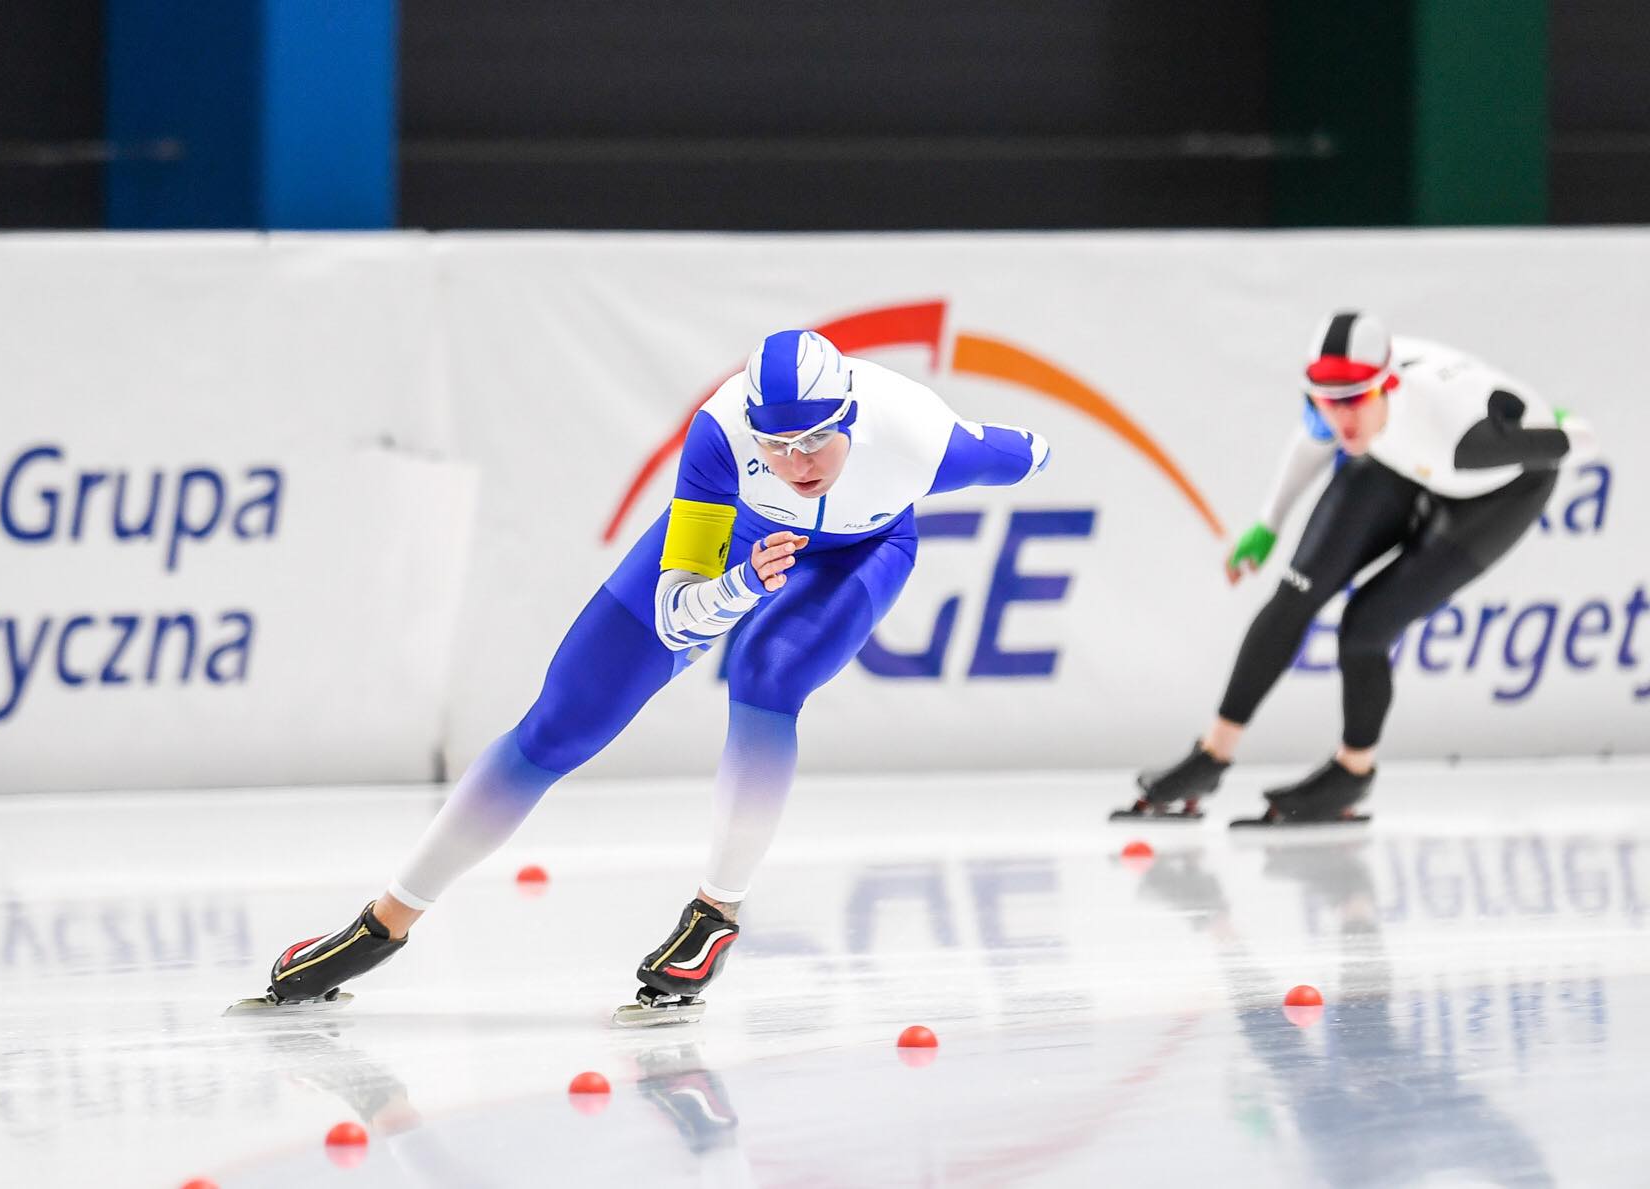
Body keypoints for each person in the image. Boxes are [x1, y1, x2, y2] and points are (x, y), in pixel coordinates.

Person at [259, 329, 1050, 1013]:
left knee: (769, 677)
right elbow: (678, 613)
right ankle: (383, 923)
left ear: (851, 418)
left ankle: (714, 916)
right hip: (742, 536)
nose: (796, 461)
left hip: (865, 550)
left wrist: (1034, 448)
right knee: (562, 720)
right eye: (776, 445)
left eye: (815, 441)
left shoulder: (923, 437)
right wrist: (743, 583)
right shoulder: (719, 438)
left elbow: (1030, 449)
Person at [1119, 311, 1593, 826]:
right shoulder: (1349, 407)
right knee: (1294, 594)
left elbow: (1570, 443)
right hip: (1395, 453)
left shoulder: (1455, 438)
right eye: (1327, 402)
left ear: (1386, 384)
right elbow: (1313, 440)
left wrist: (1556, 428)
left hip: (1494, 490)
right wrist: (1268, 526)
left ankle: (1353, 770)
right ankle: (1211, 755)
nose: (1340, 419)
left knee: (1365, 626)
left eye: (1353, 401)